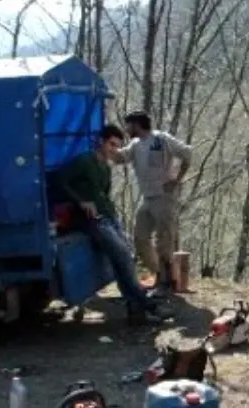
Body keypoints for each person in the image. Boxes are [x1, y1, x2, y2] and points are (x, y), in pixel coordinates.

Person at [57, 124, 169, 326]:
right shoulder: (85, 161)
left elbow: (104, 195)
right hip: (89, 220)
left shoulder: (105, 168)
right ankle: (147, 305)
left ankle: (135, 311)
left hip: (108, 217)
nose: (114, 150)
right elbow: (61, 181)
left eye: (118, 147)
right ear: (102, 142)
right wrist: (80, 201)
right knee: (123, 255)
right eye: (111, 144)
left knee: (125, 257)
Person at [116, 111, 192, 295]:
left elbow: (187, 152)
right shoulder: (135, 145)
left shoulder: (161, 139)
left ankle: (166, 283)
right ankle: (159, 274)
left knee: (164, 242)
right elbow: (120, 157)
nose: (127, 129)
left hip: (163, 197)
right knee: (140, 238)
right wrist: (105, 148)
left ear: (137, 124)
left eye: (129, 125)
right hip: (147, 198)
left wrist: (177, 179)